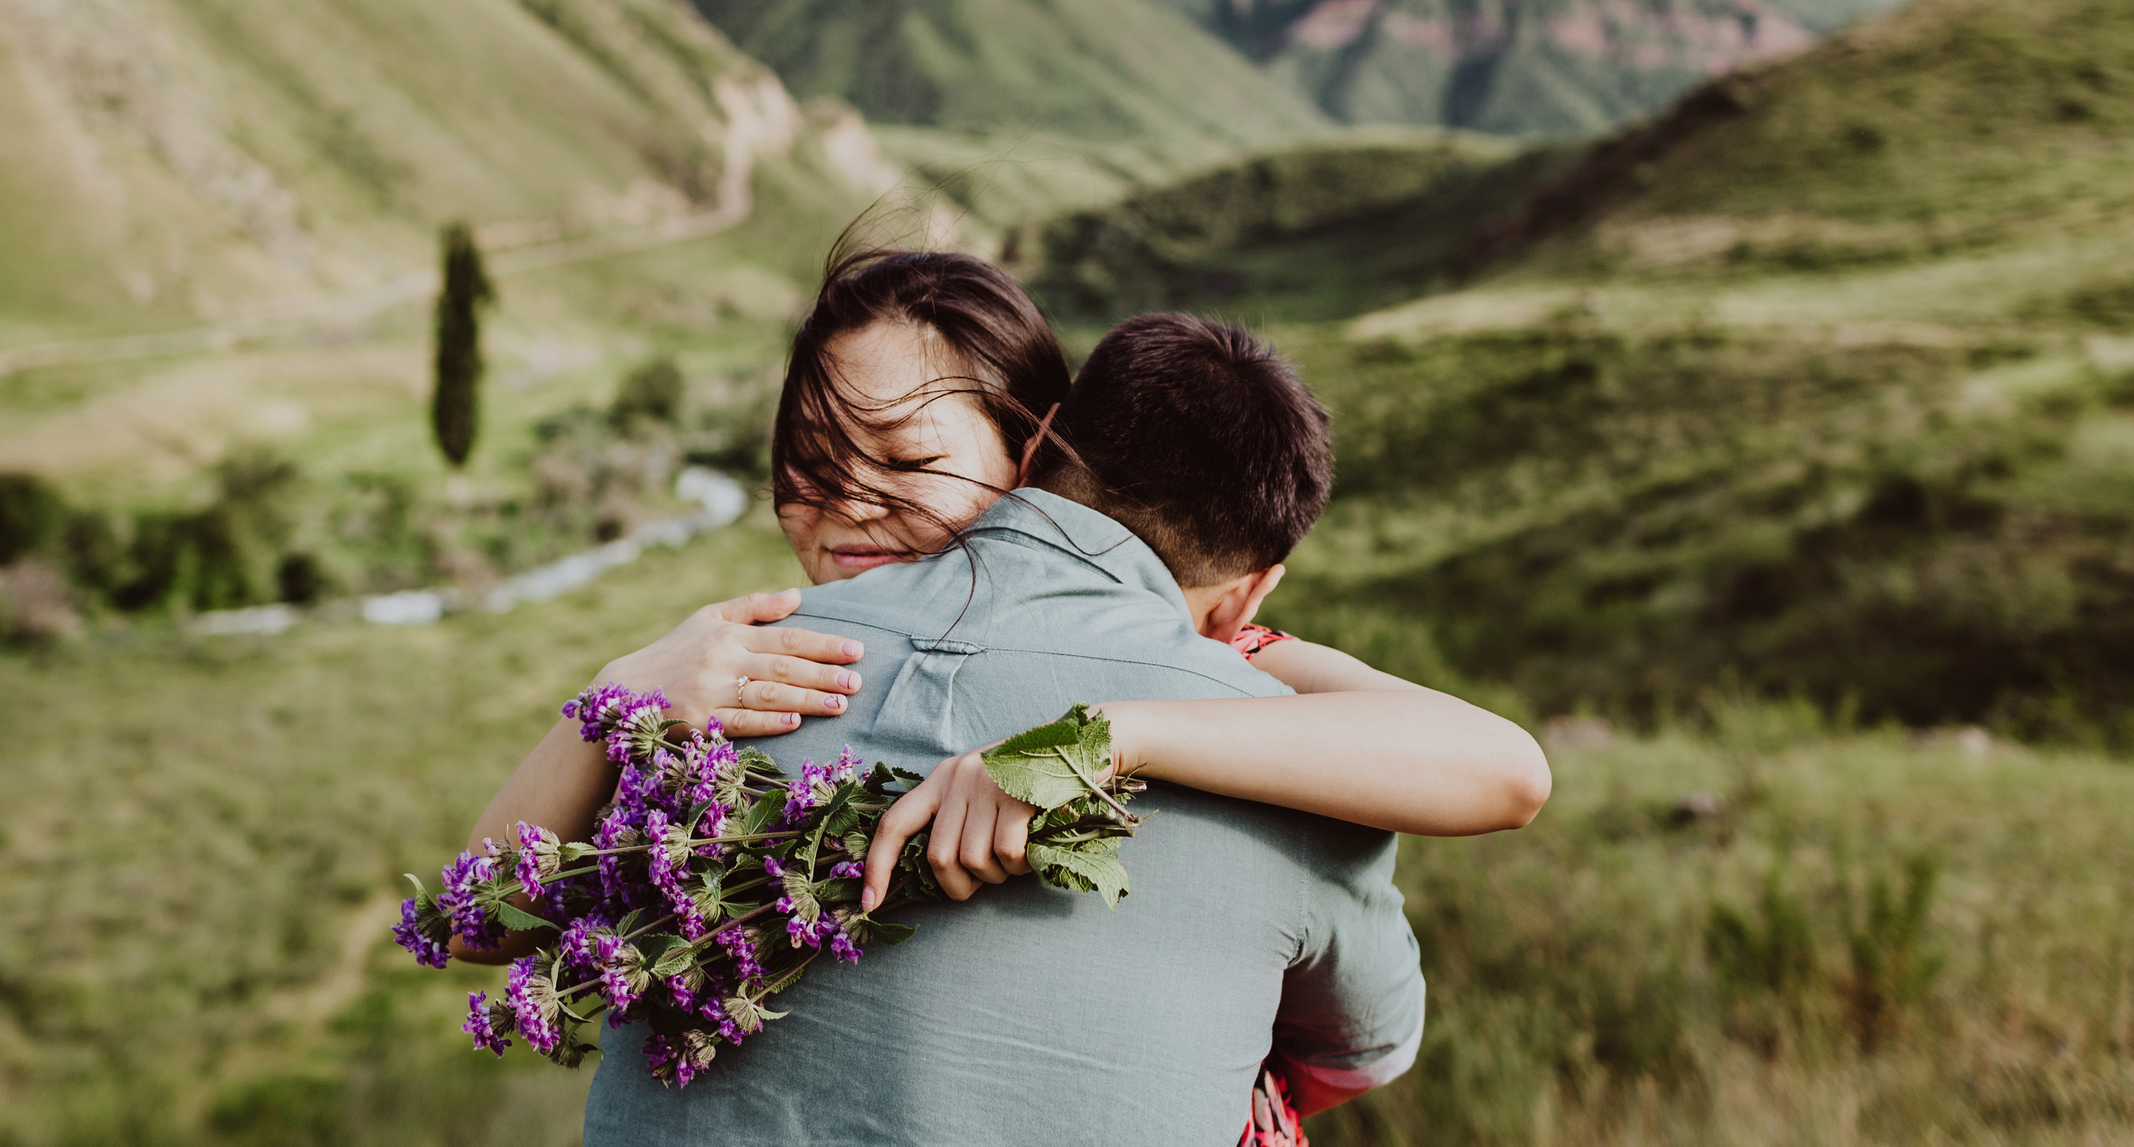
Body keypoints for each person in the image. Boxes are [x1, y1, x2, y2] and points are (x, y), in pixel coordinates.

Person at [466, 250, 1549, 1138]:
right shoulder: (716, 676)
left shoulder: (738, 681)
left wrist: (1109, 734)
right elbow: (1363, 1047)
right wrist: (616, 699)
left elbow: (478, 922)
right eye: (807, 458)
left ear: (1030, 447)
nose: (844, 501)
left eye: (901, 460)